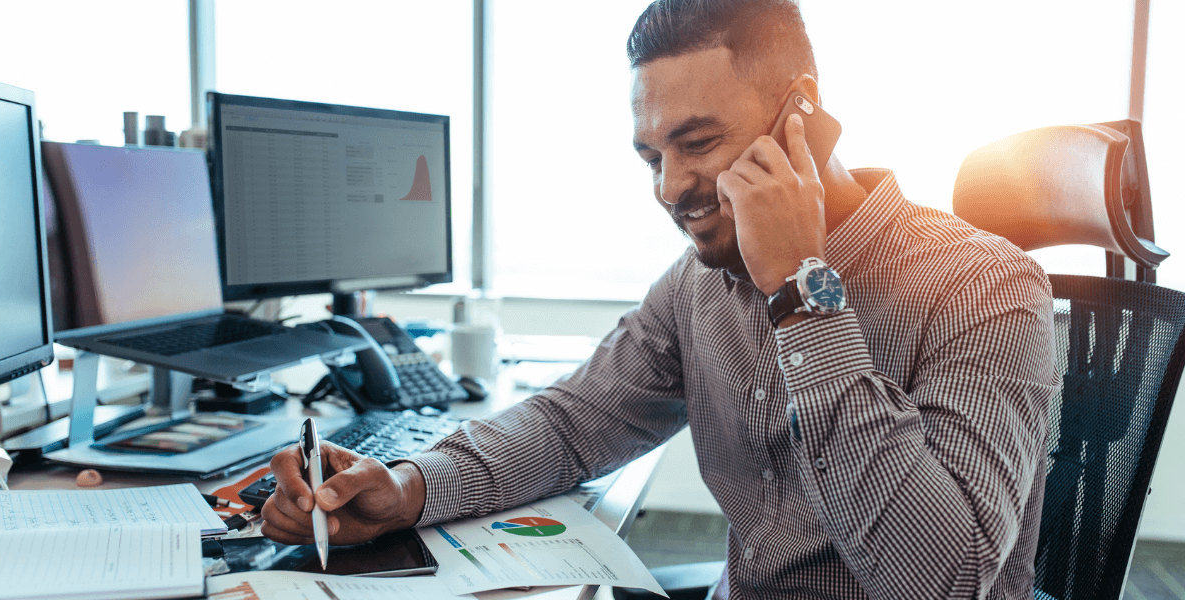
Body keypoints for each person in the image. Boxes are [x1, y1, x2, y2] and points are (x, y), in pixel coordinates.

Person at [261, 1, 1059, 597]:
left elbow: (942, 580)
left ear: (801, 113)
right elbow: (573, 424)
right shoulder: (697, 283)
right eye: (651, 156)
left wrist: (801, 290)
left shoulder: (984, 287)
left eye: (698, 143)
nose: (670, 188)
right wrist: (409, 487)